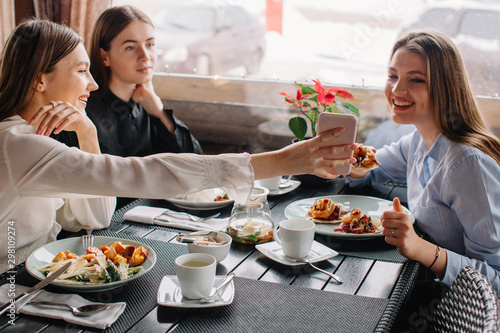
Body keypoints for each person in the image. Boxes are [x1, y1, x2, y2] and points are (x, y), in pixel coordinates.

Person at [0, 19, 356, 273]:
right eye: (81, 72)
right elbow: (142, 174)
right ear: (39, 80)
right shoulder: (19, 146)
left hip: (29, 284)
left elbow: (94, 218)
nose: (92, 84)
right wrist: (280, 160)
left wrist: (88, 134)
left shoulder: (38, 141)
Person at [348, 30, 500, 328]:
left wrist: (419, 248)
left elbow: (496, 278)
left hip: (457, 315)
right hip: (428, 291)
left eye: (416, 80)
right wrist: (354, 163)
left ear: (445, 87)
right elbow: (373, 169)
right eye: (393, 76)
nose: (397, 89)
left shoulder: (468, 165)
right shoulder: (418, 141)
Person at [53, 5, 202, 157]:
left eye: (150, 44)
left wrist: (159, 111)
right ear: (105, 57)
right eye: (130, 47)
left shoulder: (148, 105)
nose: (145, 56)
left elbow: (195, 160)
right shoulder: (83, 108)